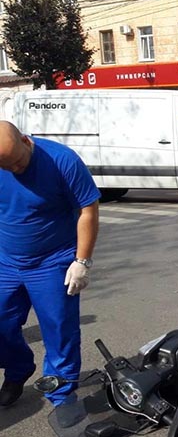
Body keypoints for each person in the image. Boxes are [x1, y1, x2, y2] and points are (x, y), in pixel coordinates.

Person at [0, 121, 100, 414]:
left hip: (52, 260)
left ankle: (61, 392)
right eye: (7, 166)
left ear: (25, 140)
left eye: (18, 162)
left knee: (59, 328)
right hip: (5, 260)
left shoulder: (61, 161)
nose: (15, 169)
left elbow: (88, 209)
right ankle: (18, 368)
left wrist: (82, 261)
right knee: (1, 324)